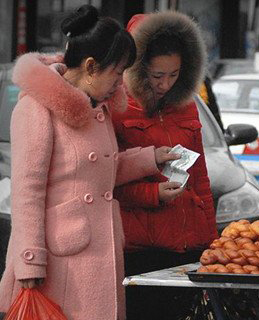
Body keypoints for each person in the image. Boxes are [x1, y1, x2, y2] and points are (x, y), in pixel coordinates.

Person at [0, 5, 180, 320]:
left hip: (99, 250)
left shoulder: (98, 108)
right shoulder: (37, 109)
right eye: (118, 72)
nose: (121, 83)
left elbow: (98, 173)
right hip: (60, 260)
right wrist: (29, 259)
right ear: (91, 66)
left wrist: (150, 158)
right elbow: (27, 191)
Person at [111, 11, 218, 319]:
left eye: (174, 74)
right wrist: (152, 193)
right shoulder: (117, 106)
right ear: (138, 67)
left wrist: (210, 241)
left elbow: (201, 180)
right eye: (158, 76)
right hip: (141, 250)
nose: (165, 84)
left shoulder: (186, 103)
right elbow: (105, 181)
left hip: (188, 247)